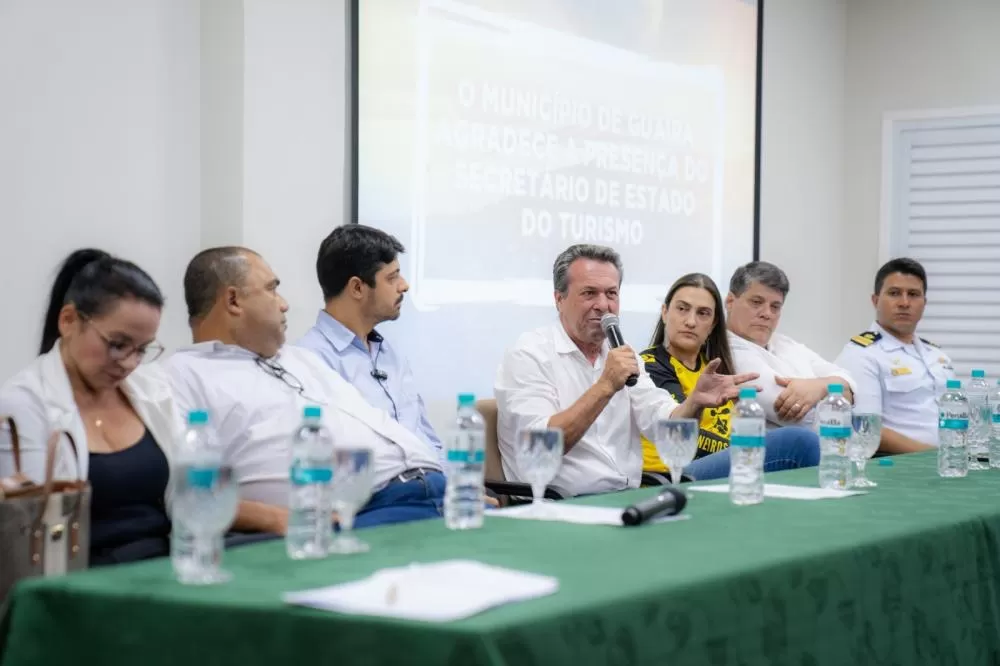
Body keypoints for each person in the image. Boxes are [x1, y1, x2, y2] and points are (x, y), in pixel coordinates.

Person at [164, 246, 445, 535]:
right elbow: (188, 492)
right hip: (363, 514)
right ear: (233, 300)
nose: (284, 304)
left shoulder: (299, 359)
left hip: (438, 494)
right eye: (272, 290)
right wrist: (276, 519)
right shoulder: (183, 375)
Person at [495, 244, 758, 497]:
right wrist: (605, 386)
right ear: (559, 299)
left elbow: (663, 425)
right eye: (589, 293)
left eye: (611, 294)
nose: (603, 305)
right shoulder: (529, 355)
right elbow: (541, 448)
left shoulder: (621, 354)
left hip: (624, 496)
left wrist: (695, 403)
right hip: (560, 501)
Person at [0, 249, 183, 566]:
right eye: (117, 344)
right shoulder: (24, 404)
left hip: (166, 567)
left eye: (142, 350)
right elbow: (31, 530)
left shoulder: (152, 391)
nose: (129, 363)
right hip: (82, 583)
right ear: (68, 320)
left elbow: (191, 486)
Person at [640, 273, 820, 475]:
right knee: (798, 442)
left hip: (720, 467)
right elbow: (679, 435)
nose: (691, 321)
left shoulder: (717, 367)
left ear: (714, 324)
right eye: (682, 309)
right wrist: (698, 402)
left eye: (703, 313)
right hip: (670, 474)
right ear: (665, 312)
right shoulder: (649, 364)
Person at [297, 224, 441, 453]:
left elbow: (428, 441)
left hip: (433, 483)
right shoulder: (310, 361)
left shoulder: (390, 355)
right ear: (357, 288)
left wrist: (460, 486)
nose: (404, 286)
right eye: (392, 278)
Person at [835, 258, 953, 453]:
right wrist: (933, 455)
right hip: (900, 465)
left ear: (924, 303)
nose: (904, 303)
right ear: (875, 301)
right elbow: (867, 429)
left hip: (949, 462)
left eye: (913, 294)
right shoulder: (862, 355)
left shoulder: (938, 356)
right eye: (894, 293)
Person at [726, 261, 857, 428]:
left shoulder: (785, 343)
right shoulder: (728, 350)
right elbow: (804, 419)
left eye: (775, 307)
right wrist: (837, 394)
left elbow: (850, 381)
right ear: (730, 301)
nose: (767, 314)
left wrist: (818, 387)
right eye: (756, 302)